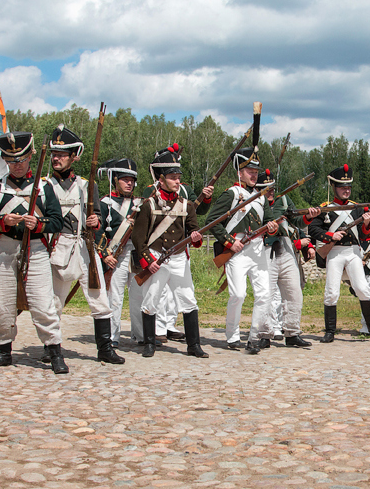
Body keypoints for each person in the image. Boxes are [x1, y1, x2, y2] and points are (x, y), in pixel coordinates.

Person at [0, 131, 67, 373]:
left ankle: (54, 351)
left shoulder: (44, 186)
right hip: (6, 248)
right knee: (3, 303)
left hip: (36, 247)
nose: (17, 165)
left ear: (30, 157)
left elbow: (57, 222)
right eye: (11, 160)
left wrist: (38, 224)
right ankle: (4, 350)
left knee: (43, 303)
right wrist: (2, 220)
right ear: (5, 161)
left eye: (21, 160)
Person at [44, 125, 125, 365]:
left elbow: (97, 217)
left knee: (99, 299)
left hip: (84, 247)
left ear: (73, 157)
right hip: (56, 247)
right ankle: (51, 346)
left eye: (62, 154)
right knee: (54, 302)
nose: (56, 158)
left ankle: (105, 348)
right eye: (54, 154)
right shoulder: (44, 185)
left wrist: (94, 220)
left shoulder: (85, 185)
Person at [131, 146, 208, 358]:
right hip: (156, 257)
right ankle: (149, 344)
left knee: (188, 299)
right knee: (151, 300)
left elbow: (193, 231)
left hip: (178, 258)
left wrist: (195, 238)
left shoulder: (187, 206)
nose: (177, 182)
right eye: (173, 178)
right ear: (162, 179)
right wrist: (148, 262)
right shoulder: (148, 205)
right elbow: (139, 238)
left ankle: (194, 345)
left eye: (178, 178)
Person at [207, 147, 279, 354]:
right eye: (250, 171)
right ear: (240, 172)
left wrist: (272, 226)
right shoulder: (231, 193)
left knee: (264, 294)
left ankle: (254, 336)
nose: (254, 175)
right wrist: (229, 242)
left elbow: (268, 221)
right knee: (238, 294)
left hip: (257, 249)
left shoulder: (262, 196)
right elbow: (212, 221)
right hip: (237, 249)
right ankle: (233, 334)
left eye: (256, 171)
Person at [311, 164, 370, 342]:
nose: (346, 190)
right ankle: (330, 331)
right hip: (334, 252)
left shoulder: (358, 208)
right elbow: (313, 229)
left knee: (363, 289)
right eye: (342, 187)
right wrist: (330, 235)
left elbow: (366, 235)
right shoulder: (326, 207)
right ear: (334, 187)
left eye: (348, 187)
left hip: (353, 252)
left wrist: (365, 224)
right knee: (331, 292)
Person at [259, 169, 319, 347]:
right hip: (265, 248)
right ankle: (265, 334)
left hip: (285, 247)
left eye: (272, 188)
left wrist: (308, 216)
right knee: (266, 294)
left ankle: (292, 332)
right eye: (266, 188)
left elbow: (297, 221)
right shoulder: (255, 203)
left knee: (294, 292)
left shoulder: (284, 200)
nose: (270, 191)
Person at [98, 158, 142, 348]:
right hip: (115, 254)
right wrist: (104, 255)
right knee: (114, 298)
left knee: (138, 296)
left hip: (136, 254)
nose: (129, 183)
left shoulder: (140, 204)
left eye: (131, 180)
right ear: (115, 180)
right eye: (124, 179)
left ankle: (140, 335)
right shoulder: (105, 203)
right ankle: (112, 336)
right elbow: (97, 232)